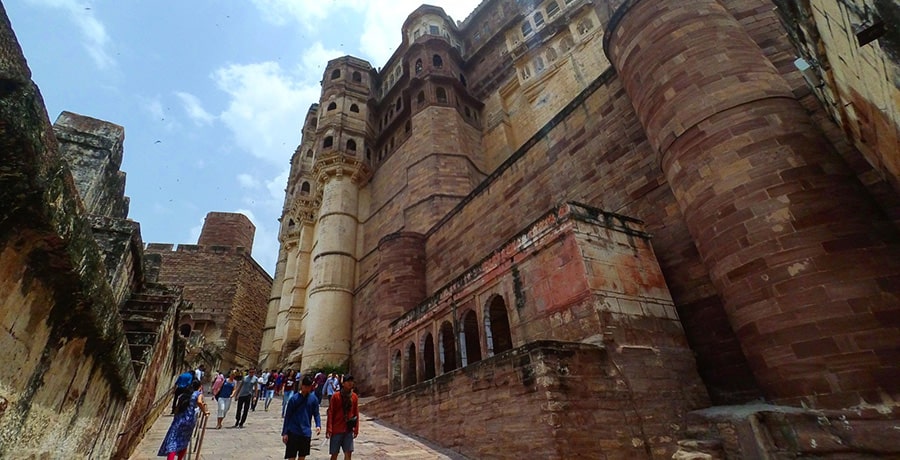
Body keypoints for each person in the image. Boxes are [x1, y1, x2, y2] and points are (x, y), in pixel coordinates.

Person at [158, 380, 209, 459]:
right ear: (199, 387)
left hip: (179, 419)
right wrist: (205, 411)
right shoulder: (198, 394)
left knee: (173, 441)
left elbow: (177, 408)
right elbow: (199, 402)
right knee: (184, 441)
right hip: (189, 420)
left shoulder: (184, 395)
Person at [281, 375, 322, 460]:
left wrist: (318, 425)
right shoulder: (294, 399)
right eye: (306, 386)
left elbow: (316, 414)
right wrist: (285, 432)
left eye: (309, 387)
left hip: (306, 432)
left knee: (302, 456)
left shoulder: (313, 399)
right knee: (291, 457)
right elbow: (287, 416)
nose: (307, 389)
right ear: (302, 386)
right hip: (293, 432)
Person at [326, 375, 359, 460]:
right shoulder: (336, 396)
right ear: (343, 383)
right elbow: (331, 413)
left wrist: (356, 428)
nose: (350, 383)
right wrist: (329, 429)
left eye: (352, 381)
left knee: (348, 453)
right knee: (334, 454)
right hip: (336, 429)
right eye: (348, 381)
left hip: (348, 429)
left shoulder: (354, 397)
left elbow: (356, 413)